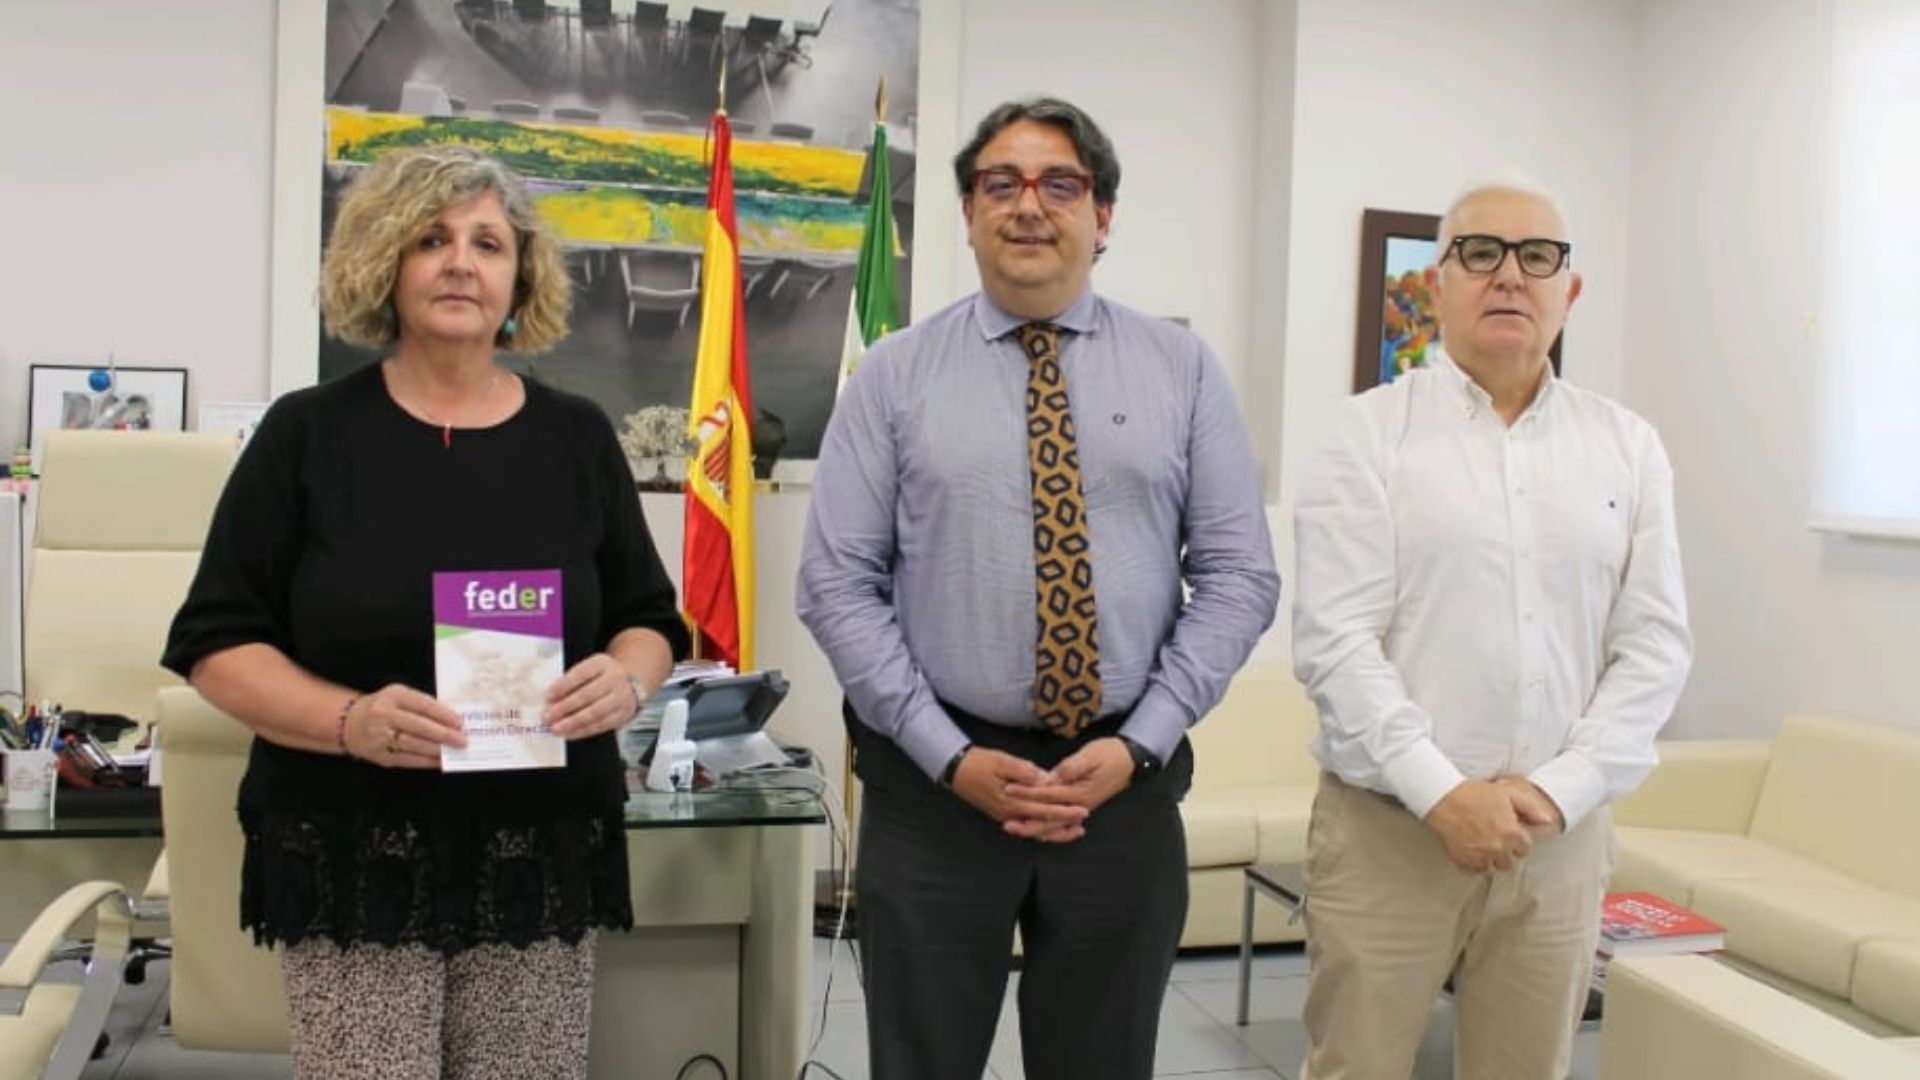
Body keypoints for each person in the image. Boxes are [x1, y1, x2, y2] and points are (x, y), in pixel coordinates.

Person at [162, 145, 688, 1080]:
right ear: (384, 264)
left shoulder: (575, 437)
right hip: (357, 845)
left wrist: (628, 677)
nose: (461, 262)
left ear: (520, 276)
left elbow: (649, 616)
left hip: (540, 844)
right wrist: (347, 720)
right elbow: (213, 640)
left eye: (489, 243)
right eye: (432, 239)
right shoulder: (306, 435)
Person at [797, 97, 1280, 1080]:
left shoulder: (1183, 371)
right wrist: (948, 755)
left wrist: (1138, 743)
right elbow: (837, 585)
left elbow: (1238, 576)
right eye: (1000, 183)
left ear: (1102, 215)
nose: (1029, 205)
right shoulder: (892, 377)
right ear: (968, 212)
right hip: (936, 798)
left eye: (1060, 183)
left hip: (1122, 795)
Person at [1291, 178, 1692, 1080]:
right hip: (1390, 835)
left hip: (1558, 844)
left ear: (1569, 291)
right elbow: (1336, 642)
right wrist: (1443, 793)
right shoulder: (1366, 436)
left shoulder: (1629, 447)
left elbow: (1656, 645)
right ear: (1439, 283)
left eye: (1537, 256)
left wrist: (1558, 791)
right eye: (1481, 252)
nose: (1510, 275)